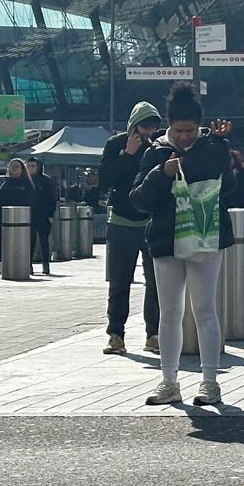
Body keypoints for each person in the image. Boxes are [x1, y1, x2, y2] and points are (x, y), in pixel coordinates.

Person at [131, 83, 239, 407]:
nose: (184, 137)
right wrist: (161, 173)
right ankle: (169, 381)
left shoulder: (212, 147)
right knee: (170, 312)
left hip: (206, 236)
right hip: (167, 240)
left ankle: (210, 382)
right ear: (170, 126)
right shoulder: (155, 152)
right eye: (178, 131)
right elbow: (138, 200)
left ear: (199, 126)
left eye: (190, 130)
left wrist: (219, 146)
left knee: (204, 310)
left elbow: (230, 188)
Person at [98, 102, 163, 355]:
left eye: (154, 127)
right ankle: (116, 334)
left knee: (155, 282)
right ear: (134, 125)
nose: (149, 132)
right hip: (121, 222)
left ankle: (153, 334)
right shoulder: (115, 144)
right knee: (119, 281)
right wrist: (127, 154)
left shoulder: (158, 146)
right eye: (145, 126)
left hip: (150, 220)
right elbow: (105, 179)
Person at [0, 159, 34, 275]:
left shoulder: (27, 184)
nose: (14, 169)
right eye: (11, 166)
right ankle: (1, 264)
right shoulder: (5, 183)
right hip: (4, 218)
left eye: (17, 166)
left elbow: (31, 201)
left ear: (22, 169)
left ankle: (25, 264)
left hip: (23, 218)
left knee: (23, 242)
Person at [24, 159, 58, 275]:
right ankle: (28, 265)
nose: (30, 168)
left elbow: (53, 198)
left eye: (33, 166)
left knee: (44, 241)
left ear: (38, 167)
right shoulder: (25, 180)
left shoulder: (46, 181)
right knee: (30, 241)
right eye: (28, 166)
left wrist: (50, 214)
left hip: (43, 215)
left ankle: (46, 264)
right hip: (28, 215)